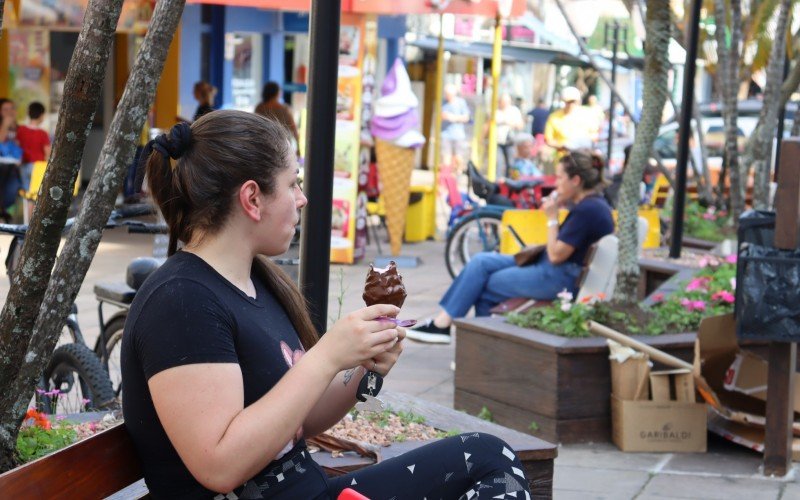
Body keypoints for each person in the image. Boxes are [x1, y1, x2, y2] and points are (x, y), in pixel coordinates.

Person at [121, 110, 531, 499]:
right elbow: (220, 465)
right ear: (252, 198)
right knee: (492, 464)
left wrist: (361, 368)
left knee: (490, 459)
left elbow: (296, 421)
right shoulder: (181, 302)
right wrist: (327, 356)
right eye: (292, 184)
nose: (301, 199)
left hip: (312, 490)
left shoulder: (254, 280)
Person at [408, 149, 614, 344]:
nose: (555, 183)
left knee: (486, 285)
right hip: (558, 270)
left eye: (560, 178)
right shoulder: (591, 205)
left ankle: (478, 349)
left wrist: (552, 218)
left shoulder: (588, 210)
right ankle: (442, 324)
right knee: (480, 262)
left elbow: (556, 256)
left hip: (560, 277)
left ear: (576, 180)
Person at [544, 87, 597, 158]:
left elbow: (594, 134)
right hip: (563, 157)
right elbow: (549, 140)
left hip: (583, 156)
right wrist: (563, 145)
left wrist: (584, 143)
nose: (571, 104)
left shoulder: (587, 115)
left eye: (573, 101)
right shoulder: (554, 117)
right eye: (568, 102)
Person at [255, 81, 300, 151]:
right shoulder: (285, 109)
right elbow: (294, 130)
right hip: (283, 146)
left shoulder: (259, 108)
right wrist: (298, 148)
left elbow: (255, 126)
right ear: (277, 93)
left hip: (264, 144)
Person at [16, 101, 51, 191]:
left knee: (26, 191)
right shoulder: (43, 133)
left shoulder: (21, 130)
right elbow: (47, 152)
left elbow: (17, 146)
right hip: (38, 167)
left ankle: (27, 206)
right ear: (41, 115)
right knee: (36, 192)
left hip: (23, 165)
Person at [492, 92, 525, 178]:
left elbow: (521, 125)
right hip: (497, 141)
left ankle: (509, 183)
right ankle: (498, 184)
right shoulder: (496, 111)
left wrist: (511, 124)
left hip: (510, 141)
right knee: (498, 163)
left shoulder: (514, 111)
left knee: (511, 164)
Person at [440, 83, 470, 173]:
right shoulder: (442, 102)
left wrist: (453, 118)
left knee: (458, 157)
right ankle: (447, 178)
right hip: (445, 134)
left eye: (449, 94)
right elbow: (439, 116)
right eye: (446, 94)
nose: (447, 96)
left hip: (458, 135)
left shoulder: (461, 103)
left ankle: (458, 173)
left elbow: (466, 117)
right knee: (446, 158)